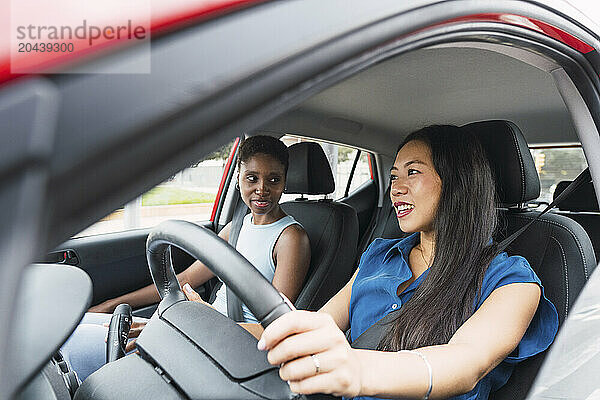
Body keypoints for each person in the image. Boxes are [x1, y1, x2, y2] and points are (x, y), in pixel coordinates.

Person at [250, 125, 558, 400]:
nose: (395, 188)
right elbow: (314, 326)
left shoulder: (511, 280)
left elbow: (465, 362)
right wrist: (214, 322)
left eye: (413, 172)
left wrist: (358, 369)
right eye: (394, 175)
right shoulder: (378, 256)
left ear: (457, 182)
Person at [63, 135, 311, 380]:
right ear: (238, 179)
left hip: (234, 346)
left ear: (285, 182)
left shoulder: (291, 238)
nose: (262, 189)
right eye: (252, 178)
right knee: (77, 326)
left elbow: (278, 327)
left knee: (79, 347)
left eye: (274, 180)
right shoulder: (236, 227)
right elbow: (184, 279)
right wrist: (110, 304)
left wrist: (203, 319)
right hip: (203, 328)